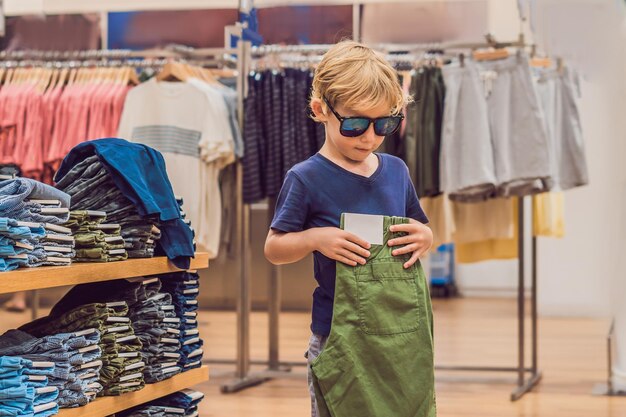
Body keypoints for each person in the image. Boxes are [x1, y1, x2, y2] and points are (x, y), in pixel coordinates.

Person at [264, 40, 435, 416]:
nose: (369, 137)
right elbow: (274, 248)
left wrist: (427, 237)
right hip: (336, 336)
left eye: (385, 123)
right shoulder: (306, 178)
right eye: (356, 123)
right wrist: (314, 239)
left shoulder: (396, 171)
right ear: (320, 110)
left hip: (399, 331)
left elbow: (419, 228)